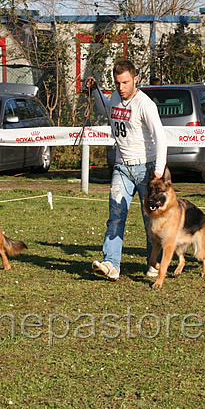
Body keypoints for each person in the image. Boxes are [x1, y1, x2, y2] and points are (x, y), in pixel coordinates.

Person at [85, 59, 167, 281]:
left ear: (135, 79)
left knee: (151, 219)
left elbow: (161, 138)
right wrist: (95, 91)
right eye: (117, 83)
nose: (121, 88)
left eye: (125, 82)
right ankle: (111, 264)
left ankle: (155, 264)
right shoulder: (114, 97)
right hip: (121, 168)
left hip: (146, 169)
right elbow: (106, 107)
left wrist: (158, 171)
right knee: (115, 217)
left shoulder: (145, 104)